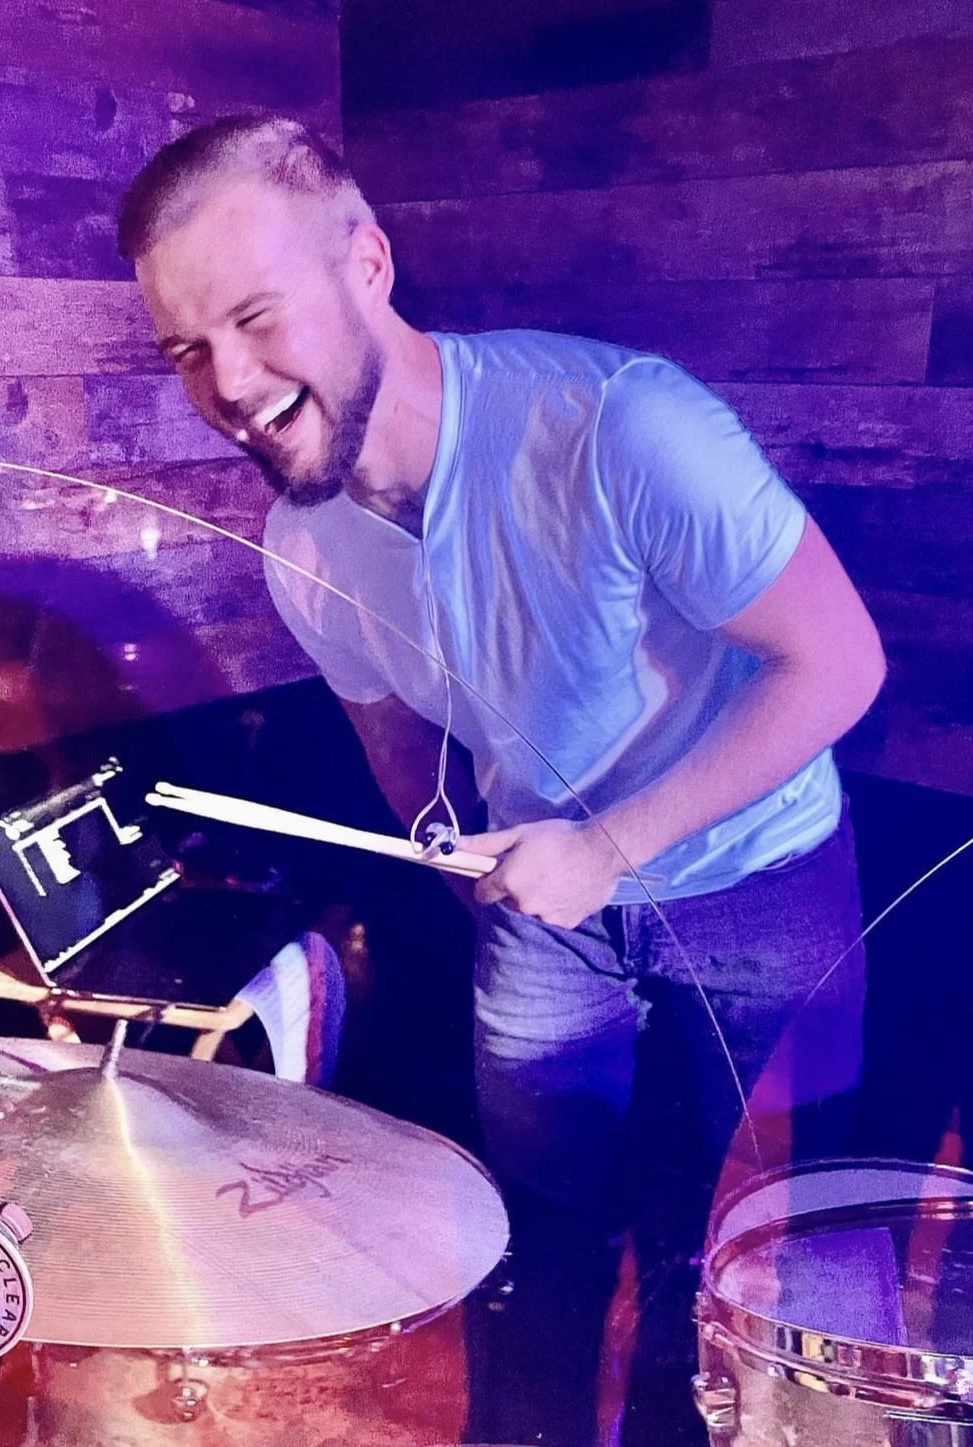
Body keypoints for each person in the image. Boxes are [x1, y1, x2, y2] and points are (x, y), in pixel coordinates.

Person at [118, 115, 886, 1445]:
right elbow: (389, 727)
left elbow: (837, 664)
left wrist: (605, 849)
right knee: (526, 1233)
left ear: (367, 263)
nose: (228, 383)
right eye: (187, 348)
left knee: (776, 1254)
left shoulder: (622, 425)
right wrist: (433, 821)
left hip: (761, 883)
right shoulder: (301, 542)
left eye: (253, 316)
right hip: (547, 915)